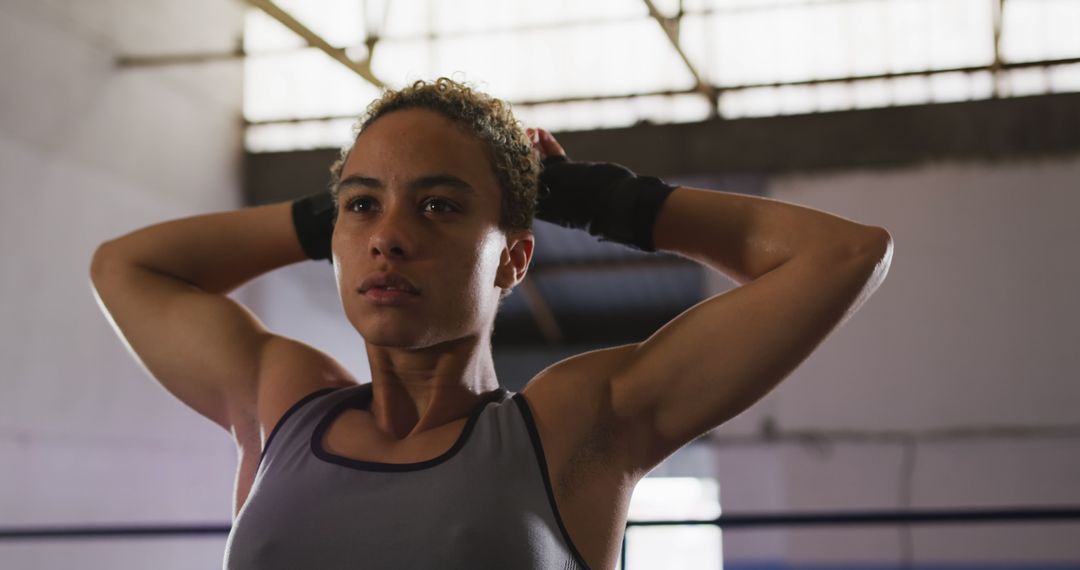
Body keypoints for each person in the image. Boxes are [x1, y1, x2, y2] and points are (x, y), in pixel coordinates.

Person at [89, 77, 892, 570]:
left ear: (512, 260)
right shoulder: (283, 406)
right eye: (364, 208)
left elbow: (842, 254)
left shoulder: (578, 424)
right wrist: (338, 208)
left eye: (438, 205)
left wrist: (589, 195)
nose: (390, 236)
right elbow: (123, 267)